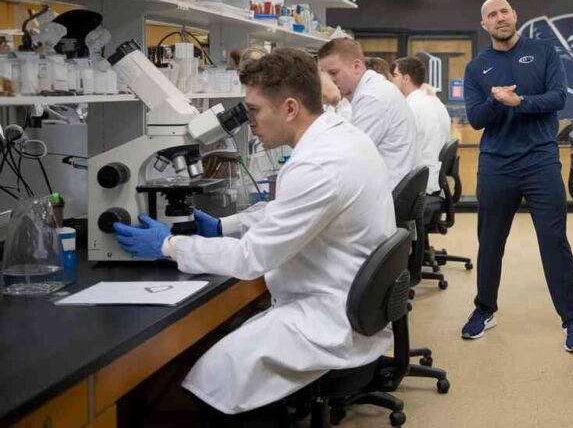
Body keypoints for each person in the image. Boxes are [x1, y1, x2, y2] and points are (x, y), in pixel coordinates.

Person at [112, 49, 396, 420]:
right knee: (220, 355)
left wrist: (168, 245)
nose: (251, 123)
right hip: (342, 300)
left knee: (210, 381)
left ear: (290, 108)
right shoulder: (341, 139)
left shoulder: (318, 163)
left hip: (327, 316)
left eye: (254, 110)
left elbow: (251, 259)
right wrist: (223, 226)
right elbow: (287, 210)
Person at [462, 0, 573, 352]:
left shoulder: (544, 52)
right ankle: (484, 309)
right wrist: (495, 101)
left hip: (540, 159)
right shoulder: (477, 68)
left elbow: (559, 98)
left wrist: (521, 102)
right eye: (491, 15)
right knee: (491, 242)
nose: (499, 18)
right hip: (496, 163)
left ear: (514, 16)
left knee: (554, 241)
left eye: (504, 11)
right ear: (484, 24)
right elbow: (476, 119)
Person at [319, 38, 418, 190]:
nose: (329, 81)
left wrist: (331, 103)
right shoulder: (373, 88)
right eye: (324, 76)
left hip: (386, 194)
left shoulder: (372, 97)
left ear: (357, 67)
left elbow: (348, 157)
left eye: (334, 73)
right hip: (390, 188)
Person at [390, 56, 451, 194]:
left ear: (406, 78)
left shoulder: (411, 107)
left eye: (395, 75)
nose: (391, 81)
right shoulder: (433, 102)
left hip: (421, 184)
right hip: (433, 178)